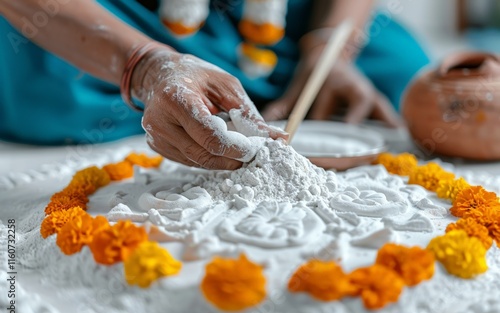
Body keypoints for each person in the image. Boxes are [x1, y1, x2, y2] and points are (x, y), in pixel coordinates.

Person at [0, 0, 429, 170]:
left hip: (279, 17)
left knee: (408, 71)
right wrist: (148, 66)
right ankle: (180, 94)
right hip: (121, 12)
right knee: (47, 93)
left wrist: (330, 50)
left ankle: (231, 94)